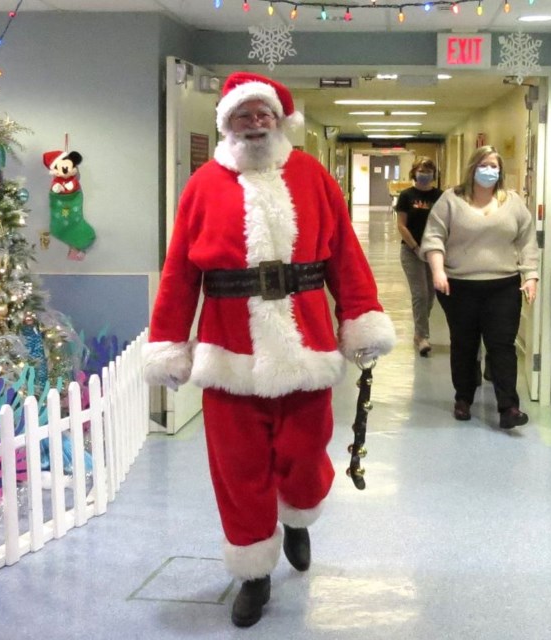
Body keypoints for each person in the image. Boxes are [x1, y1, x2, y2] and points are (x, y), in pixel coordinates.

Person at [142, 72, 396, 628]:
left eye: (263, 114)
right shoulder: (203, 186)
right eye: (243, 116)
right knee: (238, 471)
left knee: (304, 458)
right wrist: (169, 342)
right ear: (226, 123)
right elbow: (180, 273)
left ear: (279, 120)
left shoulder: (313, 177)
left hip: (306, 347)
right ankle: (254, 574)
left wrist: (360, 318)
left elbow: (346, 257)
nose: (254, 124)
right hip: (229, 354)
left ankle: (297, 518)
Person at [420, 145, 539, 430]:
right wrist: (438, 271)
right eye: (484, 165)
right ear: (473, 168)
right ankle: (463, 399)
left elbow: (527, 241)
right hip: (460, 286)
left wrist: (531, 276)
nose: (490, 171)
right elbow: (434, 237)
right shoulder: (451, 200)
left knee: (502, 346)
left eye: (495, 166)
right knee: (464, 344)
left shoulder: (512, 202)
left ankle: (508, 407)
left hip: (503, 286)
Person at [394, 156, 443, 357]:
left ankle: (418, 330)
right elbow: (401, 225)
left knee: (430, 296)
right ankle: (422, 336)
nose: (425, 174)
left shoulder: (440, 196)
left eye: (428, 170)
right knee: (420, 294)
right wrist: (415, 247)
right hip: (411, 251)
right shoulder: (407, 196)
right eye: (421, 170)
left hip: (433, 252)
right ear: (414, 173)